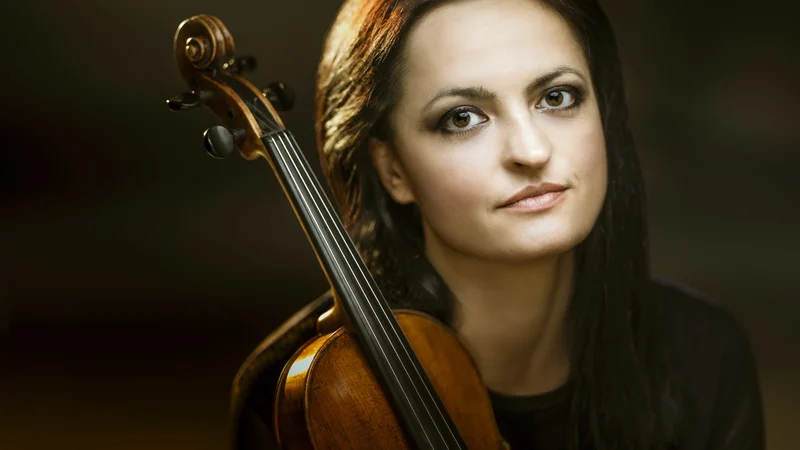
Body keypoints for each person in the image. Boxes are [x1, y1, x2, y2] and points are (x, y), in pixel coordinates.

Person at [230, 0, 765, 448]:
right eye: (462, 117)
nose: (531, 151)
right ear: (393, 170)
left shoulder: (703, 355)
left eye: (557, 98)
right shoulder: (300, 395)